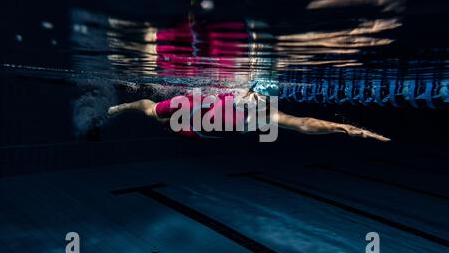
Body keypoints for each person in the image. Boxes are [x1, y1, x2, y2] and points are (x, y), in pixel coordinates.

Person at [107, 89, 390, 142]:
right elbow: (145, 104)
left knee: (158, 118)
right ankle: (119, 108)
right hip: (194, 113)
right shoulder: (188, 102)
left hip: (203, 127)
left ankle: (163, 124)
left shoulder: (261, 113)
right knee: (151, 112)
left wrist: (345, 128)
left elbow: (302, 124)